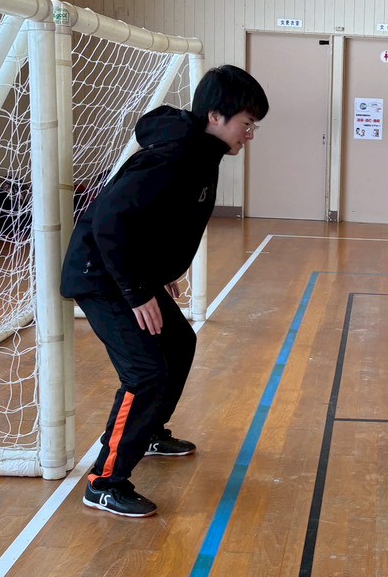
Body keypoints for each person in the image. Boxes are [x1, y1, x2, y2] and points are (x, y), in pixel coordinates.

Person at [60, 64, 270, 517]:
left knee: (180, 342)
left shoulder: (200, 153)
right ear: (216, 117)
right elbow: (109, 221)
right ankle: (105, 480)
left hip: (131, 272)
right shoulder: (174, 155)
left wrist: (155, 270)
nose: (249, 134)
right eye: (245, 124)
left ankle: (150, 429)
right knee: (146, 373)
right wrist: (137, 290)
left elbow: (154, 220)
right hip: (102, 277)